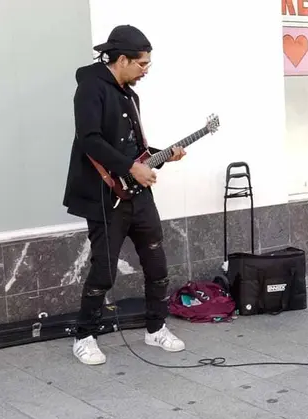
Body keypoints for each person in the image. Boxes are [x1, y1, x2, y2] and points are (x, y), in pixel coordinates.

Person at [63, 24, 186, 365]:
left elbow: (132, 148)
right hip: (105, 196)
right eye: (142, 64)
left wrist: (163, 155)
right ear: (122, 60)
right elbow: (89, 139)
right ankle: (84, 336)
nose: (146, 70)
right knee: (104, 271)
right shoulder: (90, 88)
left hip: (138, 194)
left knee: (157, 264)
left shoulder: (131, 95)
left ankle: (155, 328)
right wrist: (131, 168)